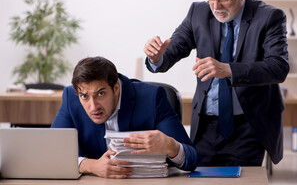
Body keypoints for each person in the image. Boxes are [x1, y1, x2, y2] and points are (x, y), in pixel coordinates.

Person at [144, 0, 289, 166]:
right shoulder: (198, 12)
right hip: (205, 127)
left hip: (248, 126)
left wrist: (228, 70)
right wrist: (156, 57)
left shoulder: (269, 17)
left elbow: (278, 67)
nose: (215, 6)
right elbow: (172, 51)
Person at [51, 56, 198, 178]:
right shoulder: (71, 97)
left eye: (100, 94)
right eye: (84, 96)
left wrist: (171, 146)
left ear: (115, 88)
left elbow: (192, 159)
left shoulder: (152, 98)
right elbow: (52, 153)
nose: (93, 106)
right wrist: (91, 165)